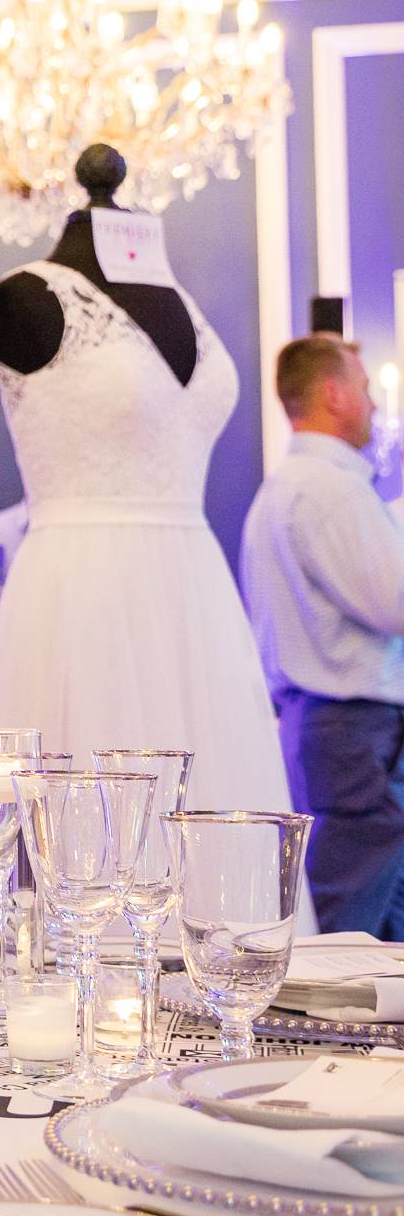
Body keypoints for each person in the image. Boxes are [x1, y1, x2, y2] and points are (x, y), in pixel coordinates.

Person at [241, 334, 404, 938]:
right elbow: (396, 604)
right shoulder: (331, 491)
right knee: (349, 916)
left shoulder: (287, 486)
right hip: (352, 728)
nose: (375, 405)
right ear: (334, 395)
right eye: (364, 389)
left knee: (369, 903)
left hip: (323, 722)